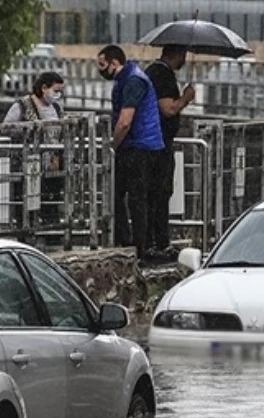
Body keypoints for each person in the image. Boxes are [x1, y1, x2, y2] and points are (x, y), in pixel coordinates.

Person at [97, 44, 165, 260]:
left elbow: (125, 121)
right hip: (138, 145)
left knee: (135, 198)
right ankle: (130, 241)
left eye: (102, 64)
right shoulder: (127, 78)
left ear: (114, 62)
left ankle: (137, 246)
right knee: (121, 194)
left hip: (139, 146)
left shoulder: (133, 80)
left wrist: (111, 146)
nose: (100, 70)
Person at [144, 46, 196, 262]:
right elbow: (169, 109)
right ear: (178, 54)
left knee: (161, 193)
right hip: (159, 145)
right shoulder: (161, 75)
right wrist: (186, 97)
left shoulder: (156, 72)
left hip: (159, 143)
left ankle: (157, 241)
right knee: (158, 193)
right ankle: (157, 243)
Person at [3, 72, 66, 224]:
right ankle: (26, 231)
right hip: (27, 162)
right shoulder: (22, 106)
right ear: (44, 88)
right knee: (25, 201)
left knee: (50, 200)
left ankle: (52, 234)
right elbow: (5, 127)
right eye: (55, 91)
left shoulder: (56, 108)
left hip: (51, 163)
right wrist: (29, 131)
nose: (57, 95)